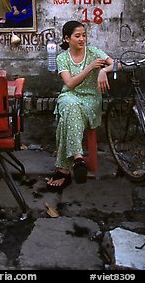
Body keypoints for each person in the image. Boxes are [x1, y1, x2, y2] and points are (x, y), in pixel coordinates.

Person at [47, 20, 120, 192]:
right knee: (70, 105)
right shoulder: (62, 58)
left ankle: (65, 169)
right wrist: (90, 68)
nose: (82, 39)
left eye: (84, 35)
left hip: (90, 99)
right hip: (69, 95)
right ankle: (78, 159)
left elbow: (116, 64)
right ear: (67, 38)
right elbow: (70, 83)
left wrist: (103, 71)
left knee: (69, 113)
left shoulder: (94, 52)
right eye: (77, 36)